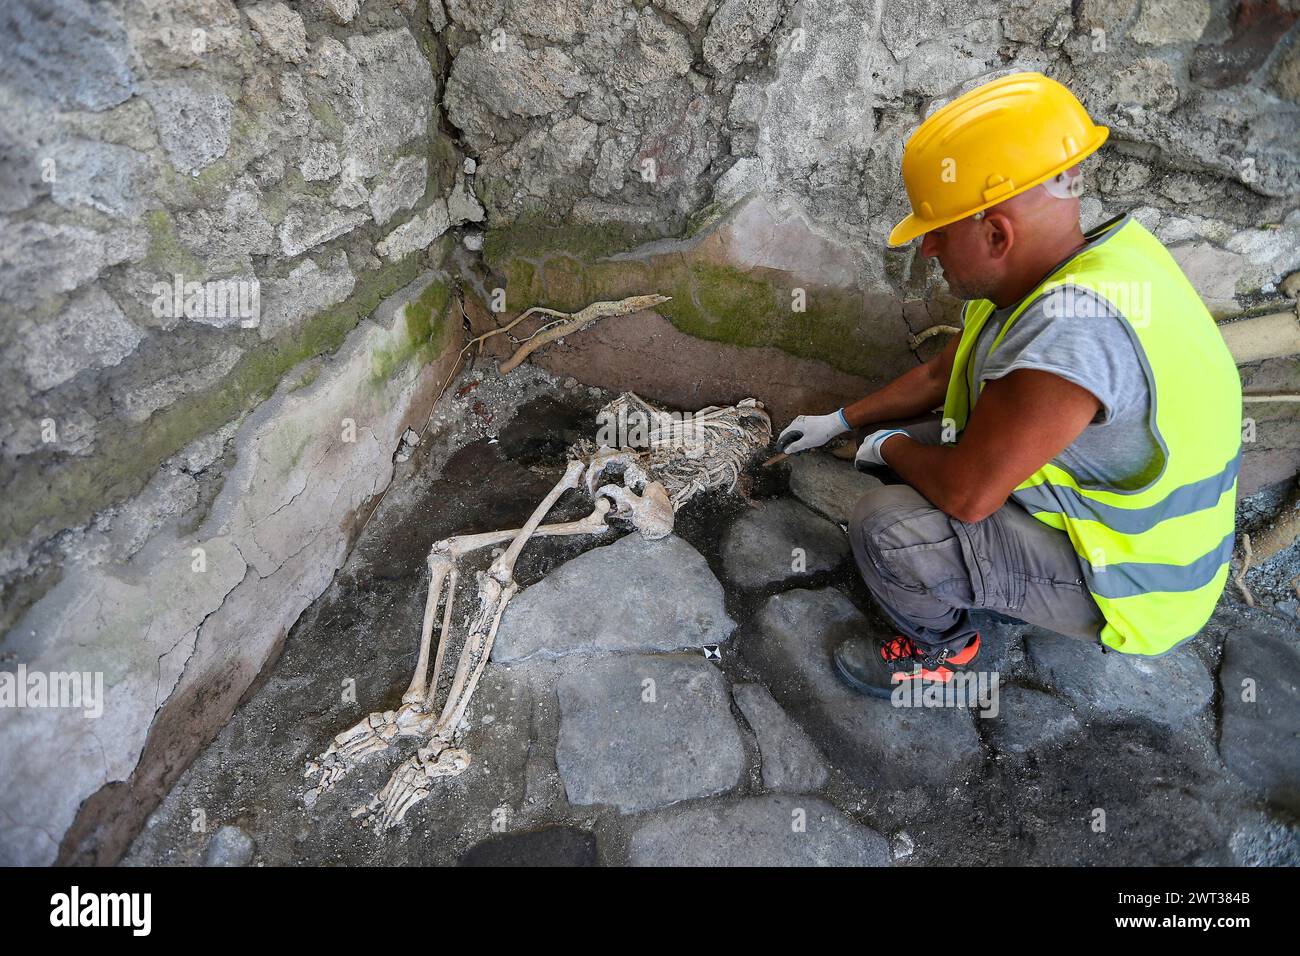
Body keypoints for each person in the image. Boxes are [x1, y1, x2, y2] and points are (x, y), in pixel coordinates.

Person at [776, 72, 1242, 698]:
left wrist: (885, 446)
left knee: (887, 527)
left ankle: (942, 648)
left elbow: (969, 496)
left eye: (938, 232)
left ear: (998, 234)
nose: (930, 249)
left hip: (1141, 587)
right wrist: (841, 419)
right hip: (1101, 516)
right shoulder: (1077, 269)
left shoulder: (1072, 334)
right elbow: (947, 372)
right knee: (932, 447)